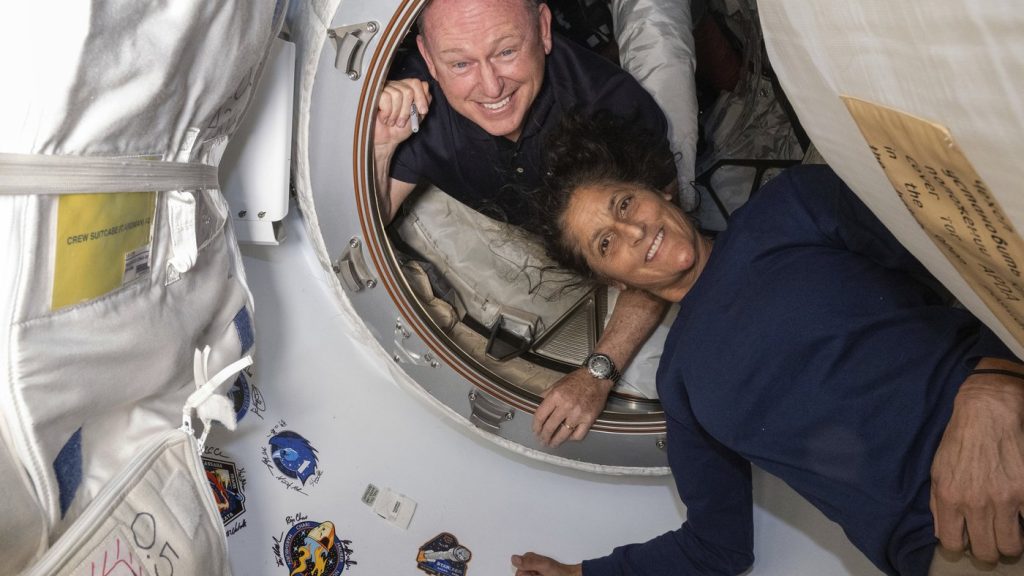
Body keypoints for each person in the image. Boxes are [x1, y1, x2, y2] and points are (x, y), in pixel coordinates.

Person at [510, 111, 1024, 575]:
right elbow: (716, 547)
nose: (633, 230)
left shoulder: (791, 205)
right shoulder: (681, 383)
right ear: (613, 282)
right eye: (606, 243)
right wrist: (581, 575)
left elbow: (975, 262)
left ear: (658, 190)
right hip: (954, 549)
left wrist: (995, 383)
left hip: (1005, 429)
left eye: (624, 203)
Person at [373, 0, 681, 446]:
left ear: (543, 28)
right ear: (428, 58)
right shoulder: (416, 98)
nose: (490, 85)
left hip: (621, 206)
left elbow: (664, 251)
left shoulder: (610, 107)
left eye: (505, 52)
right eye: (460, 62)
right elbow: (370, 218)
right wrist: (382, 145)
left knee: (661, 44)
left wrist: (598, 372)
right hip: (527, 223)